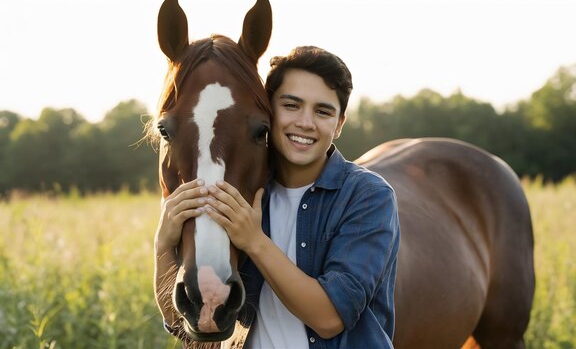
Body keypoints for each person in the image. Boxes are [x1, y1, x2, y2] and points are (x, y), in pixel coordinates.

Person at [155, 46, 400, 348]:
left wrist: (254, 241)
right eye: (292, 105)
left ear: (339, 124)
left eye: (323, 111)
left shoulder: (368, 196)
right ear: (270, 110)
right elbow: (191, 328)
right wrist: (163, 244)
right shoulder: (248, 194)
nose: (305, 122)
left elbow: (330, 318)